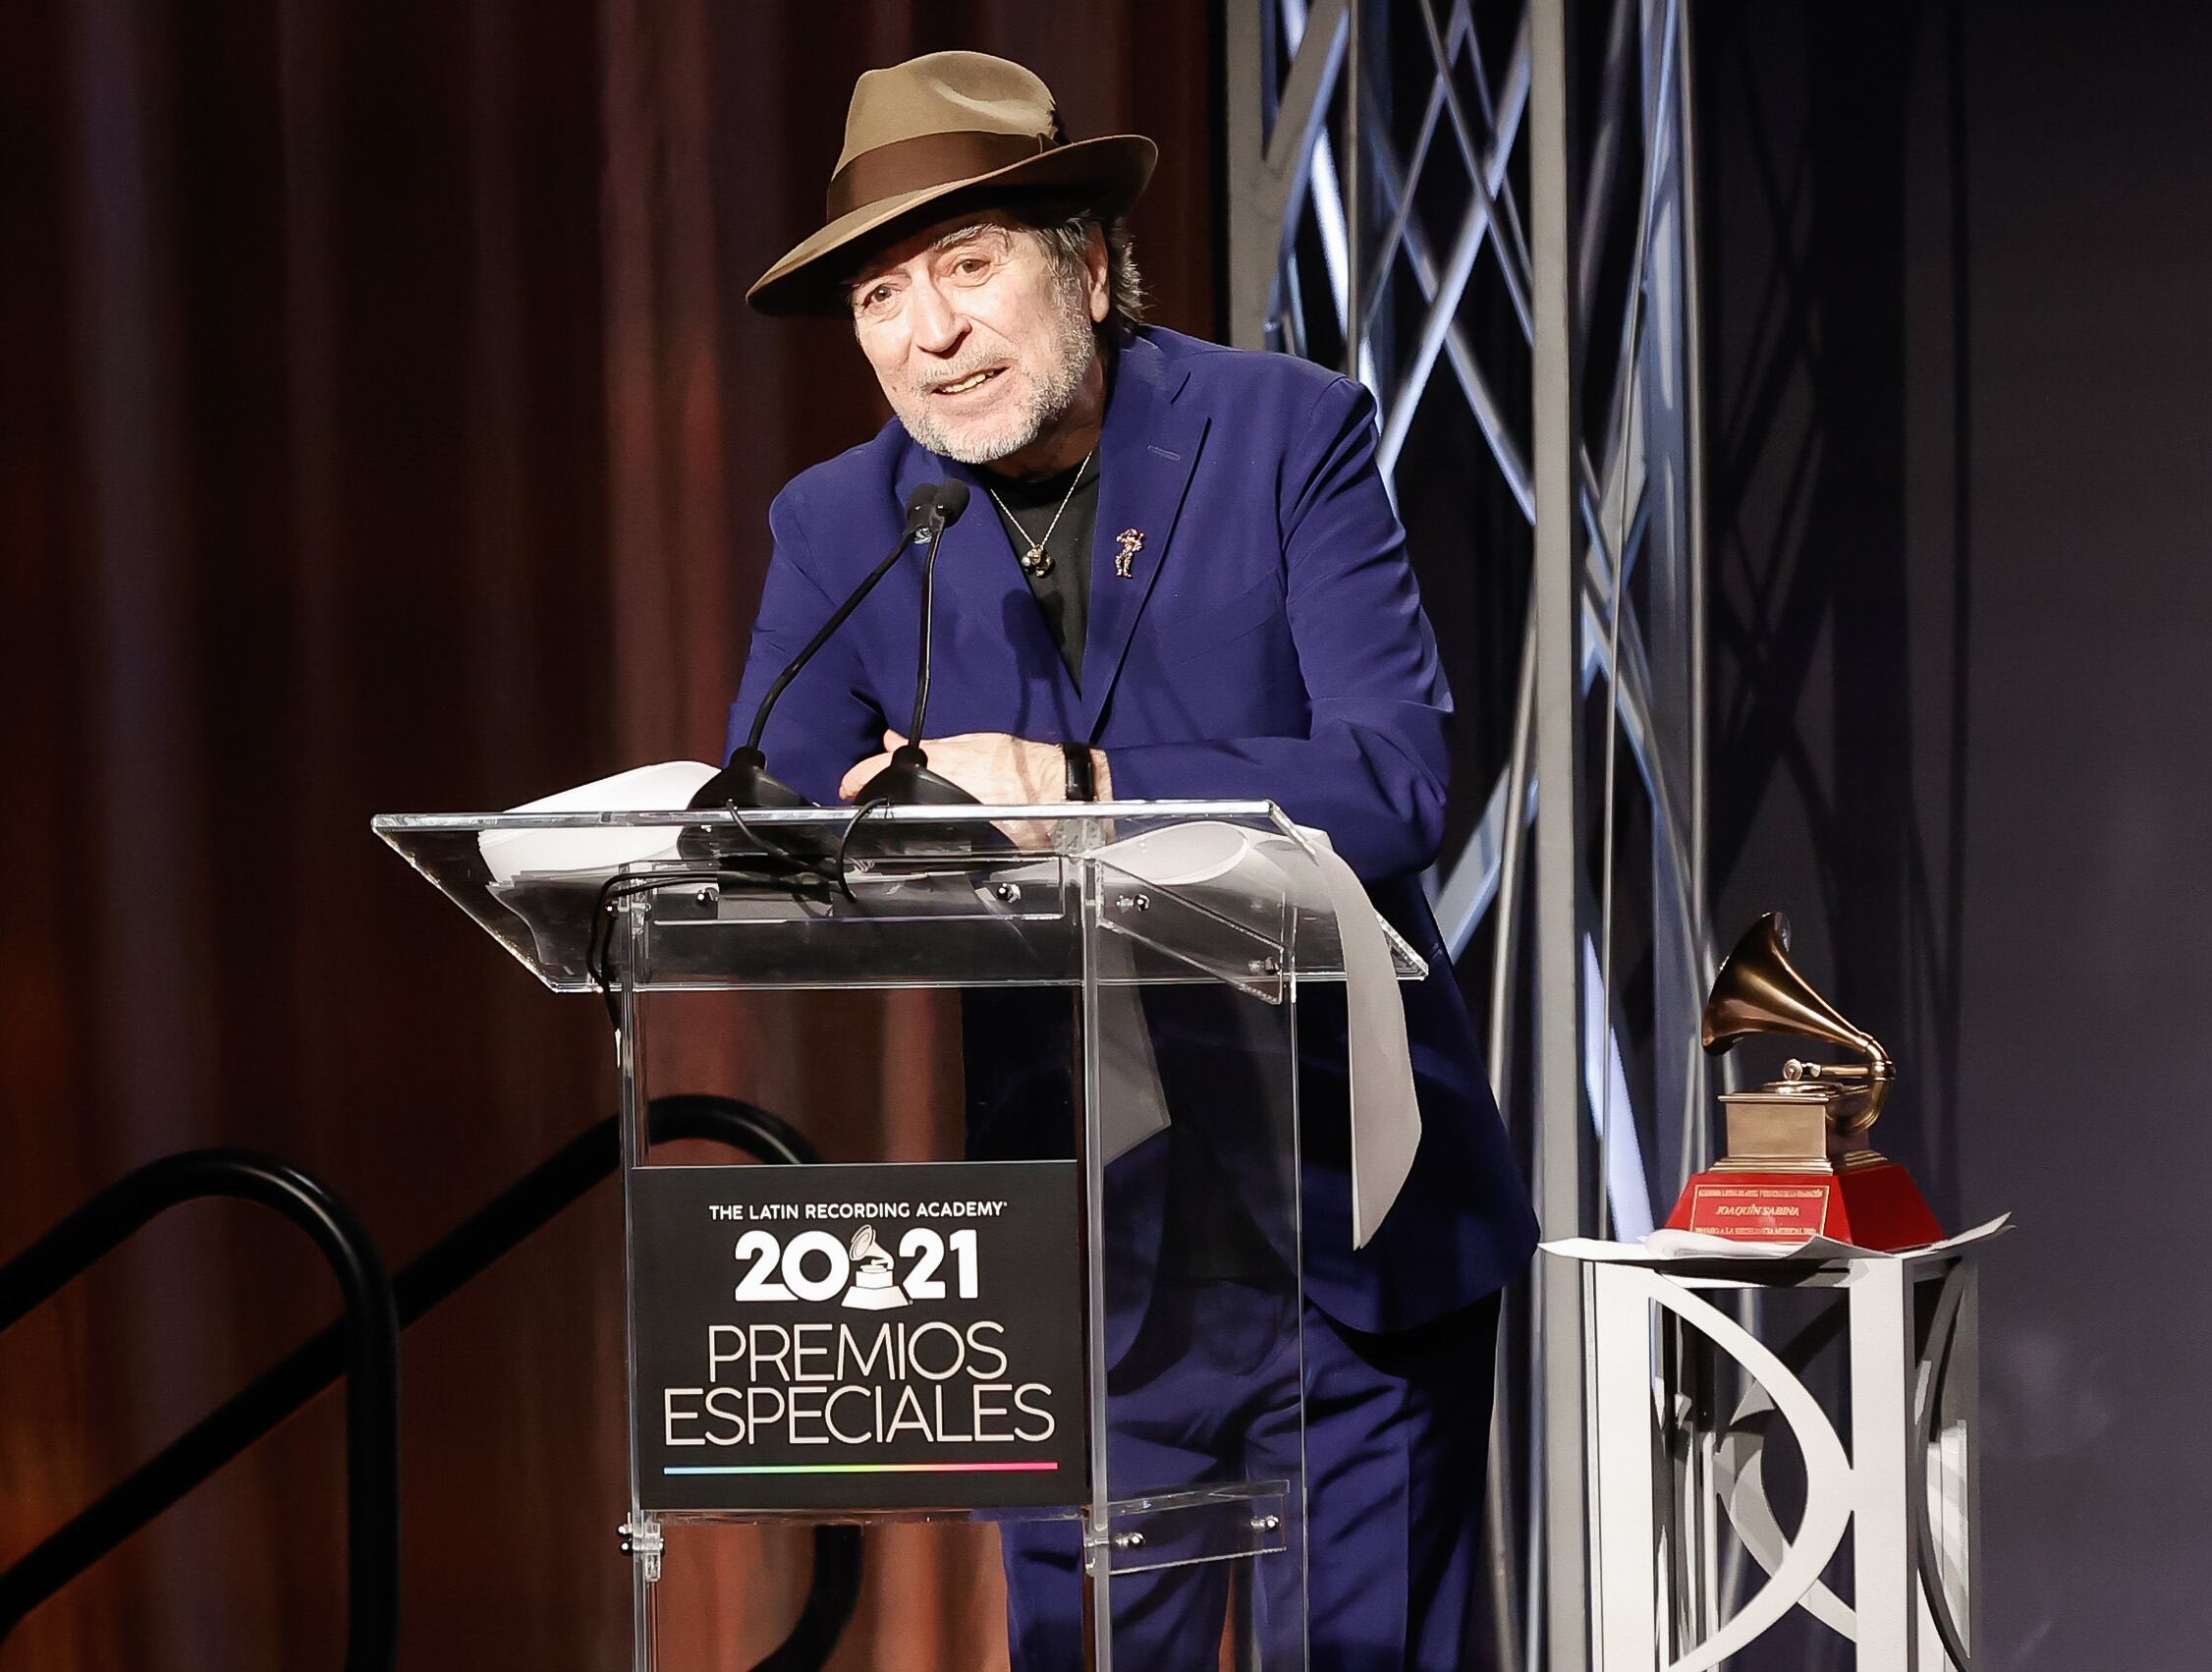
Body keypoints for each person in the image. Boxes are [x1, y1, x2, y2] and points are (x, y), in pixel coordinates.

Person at [727, 50, 1539, 1670]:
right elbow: (762, 827)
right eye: (883, 297)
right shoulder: (843, 522)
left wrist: (1079, 785)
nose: (930, 334)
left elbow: (1391, 782)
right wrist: (868, 820)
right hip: (1083, 1254)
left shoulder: (1284, 434)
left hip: (1351, 1220)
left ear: (1088, 264)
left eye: (968, 267)